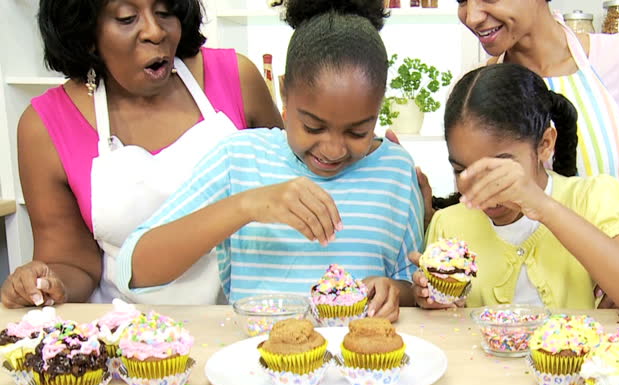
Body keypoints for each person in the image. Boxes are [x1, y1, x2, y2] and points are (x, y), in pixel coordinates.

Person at [116, 0, 423, 322]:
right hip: (256, 350)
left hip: (357, 351)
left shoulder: (396, 170)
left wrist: (393, 290)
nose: (333, 150)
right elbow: (133, 270)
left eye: (357, 132)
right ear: (284, 93)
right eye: (313, 127)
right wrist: (246, 206)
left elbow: (414, 284)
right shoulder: (239, 158)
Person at [0, 0, 283, 309]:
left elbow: (290, 188)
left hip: (250, 317)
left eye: (164, 12)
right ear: (86, 33)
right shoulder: (45, 126)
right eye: (127, 18)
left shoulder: (236, 77)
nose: (155, 31)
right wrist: (48, 283)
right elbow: (73, 261)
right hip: (128, 326)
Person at [442, 0, 619, 303]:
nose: (472, 17)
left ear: (547, 142)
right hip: (559, 300)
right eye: (462, 1)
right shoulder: (477, 92)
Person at [411, 63, 619, 318]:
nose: (482, 187)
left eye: (496, 170)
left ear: (545, 144)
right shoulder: (449, 224)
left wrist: (542, 206)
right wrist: (433, 300)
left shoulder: (595, 197)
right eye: (461, 170)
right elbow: (443, 323)